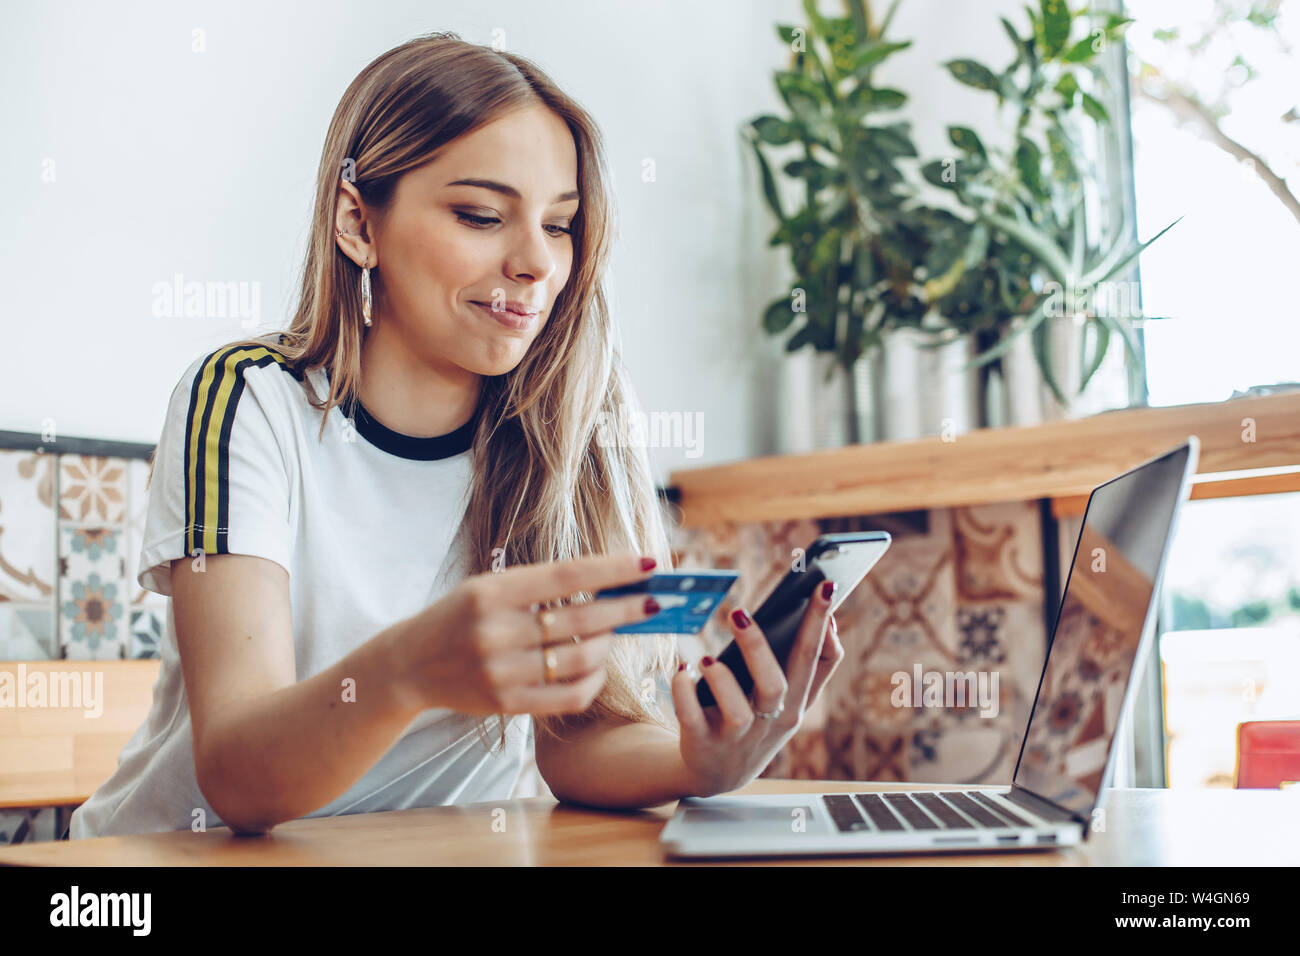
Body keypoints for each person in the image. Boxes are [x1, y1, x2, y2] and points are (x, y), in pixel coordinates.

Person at [68, 31, 842, 839]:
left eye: (561, 225)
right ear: (357, 223)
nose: (536, 262)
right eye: (481, 215)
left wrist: (701, 762)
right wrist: (411, 667)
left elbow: (579, 737)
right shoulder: (246, 399)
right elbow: (236, 774)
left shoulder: (571, 421)